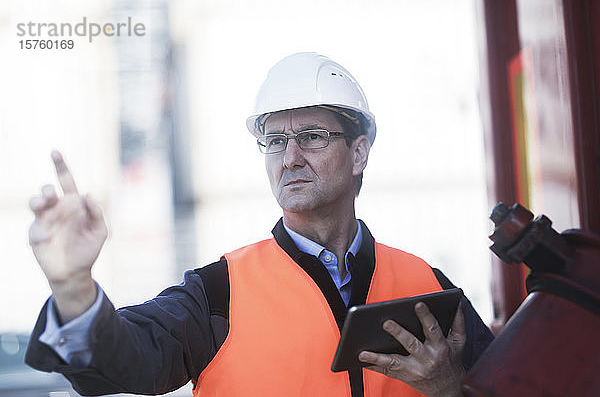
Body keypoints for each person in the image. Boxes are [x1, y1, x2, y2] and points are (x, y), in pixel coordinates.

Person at [25, 52, 493, 397]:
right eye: (275, 142)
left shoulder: (427, 287)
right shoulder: (219, 293)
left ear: (359, 153)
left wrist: (453, 390)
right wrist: (72, 288)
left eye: (311, 136)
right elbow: (123, 363)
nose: (290, 158)